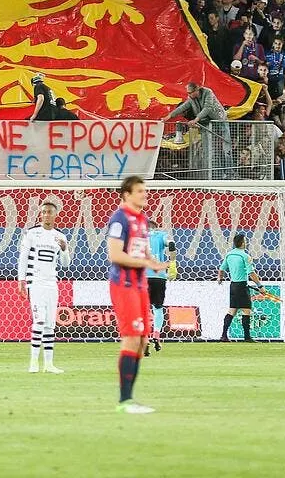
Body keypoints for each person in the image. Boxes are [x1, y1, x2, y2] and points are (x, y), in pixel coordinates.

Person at [106, 176, 166, 414]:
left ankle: (130, 398)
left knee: (142, 341)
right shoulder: (119, 218)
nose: (144, 194)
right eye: (139, 191)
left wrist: (156, 263)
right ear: (126, 194)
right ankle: (125, 400)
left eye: (145, 190)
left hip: (141, 285)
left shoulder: (142, 220)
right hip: (124, 284)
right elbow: (115, 255)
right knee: (131, 337)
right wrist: (143, 262)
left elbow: (145, 252)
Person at [16, 200, 68, 373]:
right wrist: (21, 280)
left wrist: (64, 249)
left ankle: (49, 364)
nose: (46, 214)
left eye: (49, 212)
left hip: (52, 284)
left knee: (49, 325)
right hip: (36, 283)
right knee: (38, 321)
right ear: (41, 214)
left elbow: (66, 263)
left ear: (55, 215)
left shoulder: (60, 236)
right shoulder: (32, 233)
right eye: (44, 212)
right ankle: (33, 362)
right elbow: (23, 258)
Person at [217, 233, 262, 342]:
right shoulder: (245, 256)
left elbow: (222, 268)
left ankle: (223, 335)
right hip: (242, 286)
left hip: (233, 286)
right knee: (246, 311)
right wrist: (260, 286)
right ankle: (247, 337)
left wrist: (220, 278)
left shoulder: (229, 255)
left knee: (232, 310)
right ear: (242, 243)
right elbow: (251, 273)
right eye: (245, 241)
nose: (246, 242)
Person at [145, 220, 176, 356]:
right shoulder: (162, 235)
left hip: (143, 276)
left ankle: (145, 338)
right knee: (158, 307)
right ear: (155, 227)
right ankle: (156, 335)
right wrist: (173, 264)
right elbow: (172, 244)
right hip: (159, 276)